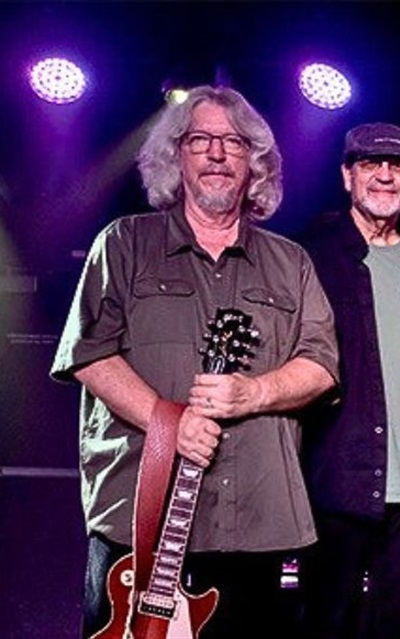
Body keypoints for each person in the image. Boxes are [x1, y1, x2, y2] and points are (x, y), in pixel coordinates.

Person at [50, 85, 340, 639]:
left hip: (257, 524)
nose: (217, 153)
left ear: (255, 164)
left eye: (235, 142)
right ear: (174, 155)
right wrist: (169, 422)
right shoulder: (124, 243)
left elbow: (322, 364)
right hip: (140, 517)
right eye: (200, 139)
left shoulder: (291, 263)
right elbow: (88, 354)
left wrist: (254, 392)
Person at [296, 123, 400, 639]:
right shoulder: (307, 259)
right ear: (347, 176)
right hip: (335, 485)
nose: (385, 175)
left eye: (399, 167)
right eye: (371, 164)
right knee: (327, 625)